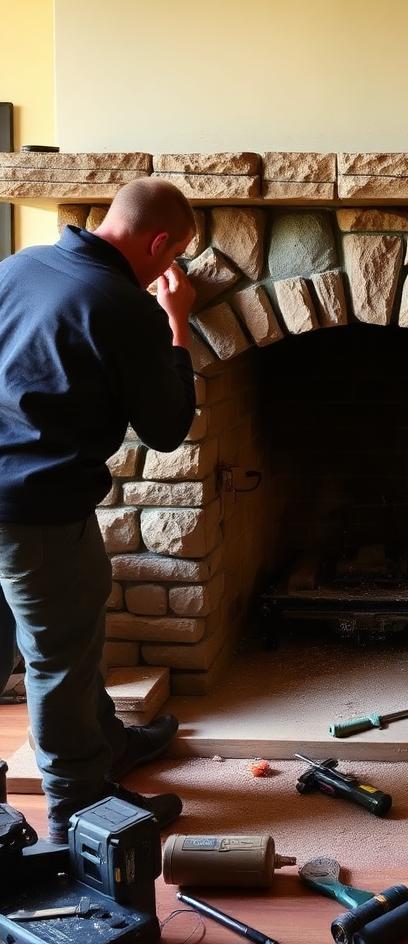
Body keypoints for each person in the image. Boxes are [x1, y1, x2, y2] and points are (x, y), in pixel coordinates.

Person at [0, 177, 198, 842]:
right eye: (170, 259)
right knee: (59, 656)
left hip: (10, 491)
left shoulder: (19, 265)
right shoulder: (122, 305)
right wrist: (176, 325)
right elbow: (168, 426)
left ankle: (106, 743)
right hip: (36, 508)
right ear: (159, 242)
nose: (167, 271)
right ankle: (78, 812)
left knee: (29, 642)